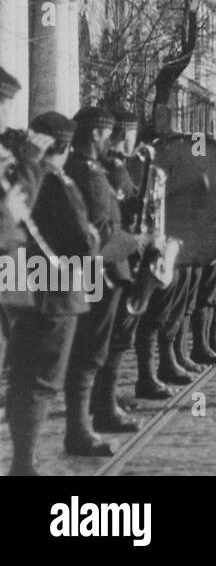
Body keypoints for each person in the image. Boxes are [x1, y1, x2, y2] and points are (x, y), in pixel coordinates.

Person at [5, 106, 98, 476]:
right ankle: (24, 465)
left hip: (23, 284)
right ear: (66, 145)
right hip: (57, 288)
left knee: (24, 375)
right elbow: (82, 239)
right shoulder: (55, 179)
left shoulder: (20, 175)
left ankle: (22, 461)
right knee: (42, 379)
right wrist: (91, 238)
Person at [63, 106, 143, 457]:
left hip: (101, 270)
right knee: (90, 349)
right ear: (96, 134)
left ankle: (101, 411)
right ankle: (80, 430)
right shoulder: (91, 173)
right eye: (107, 133)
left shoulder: (86, 169)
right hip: (104, 271)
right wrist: (140, 242)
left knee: (95, 346)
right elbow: (104, 233)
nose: (110, 140)